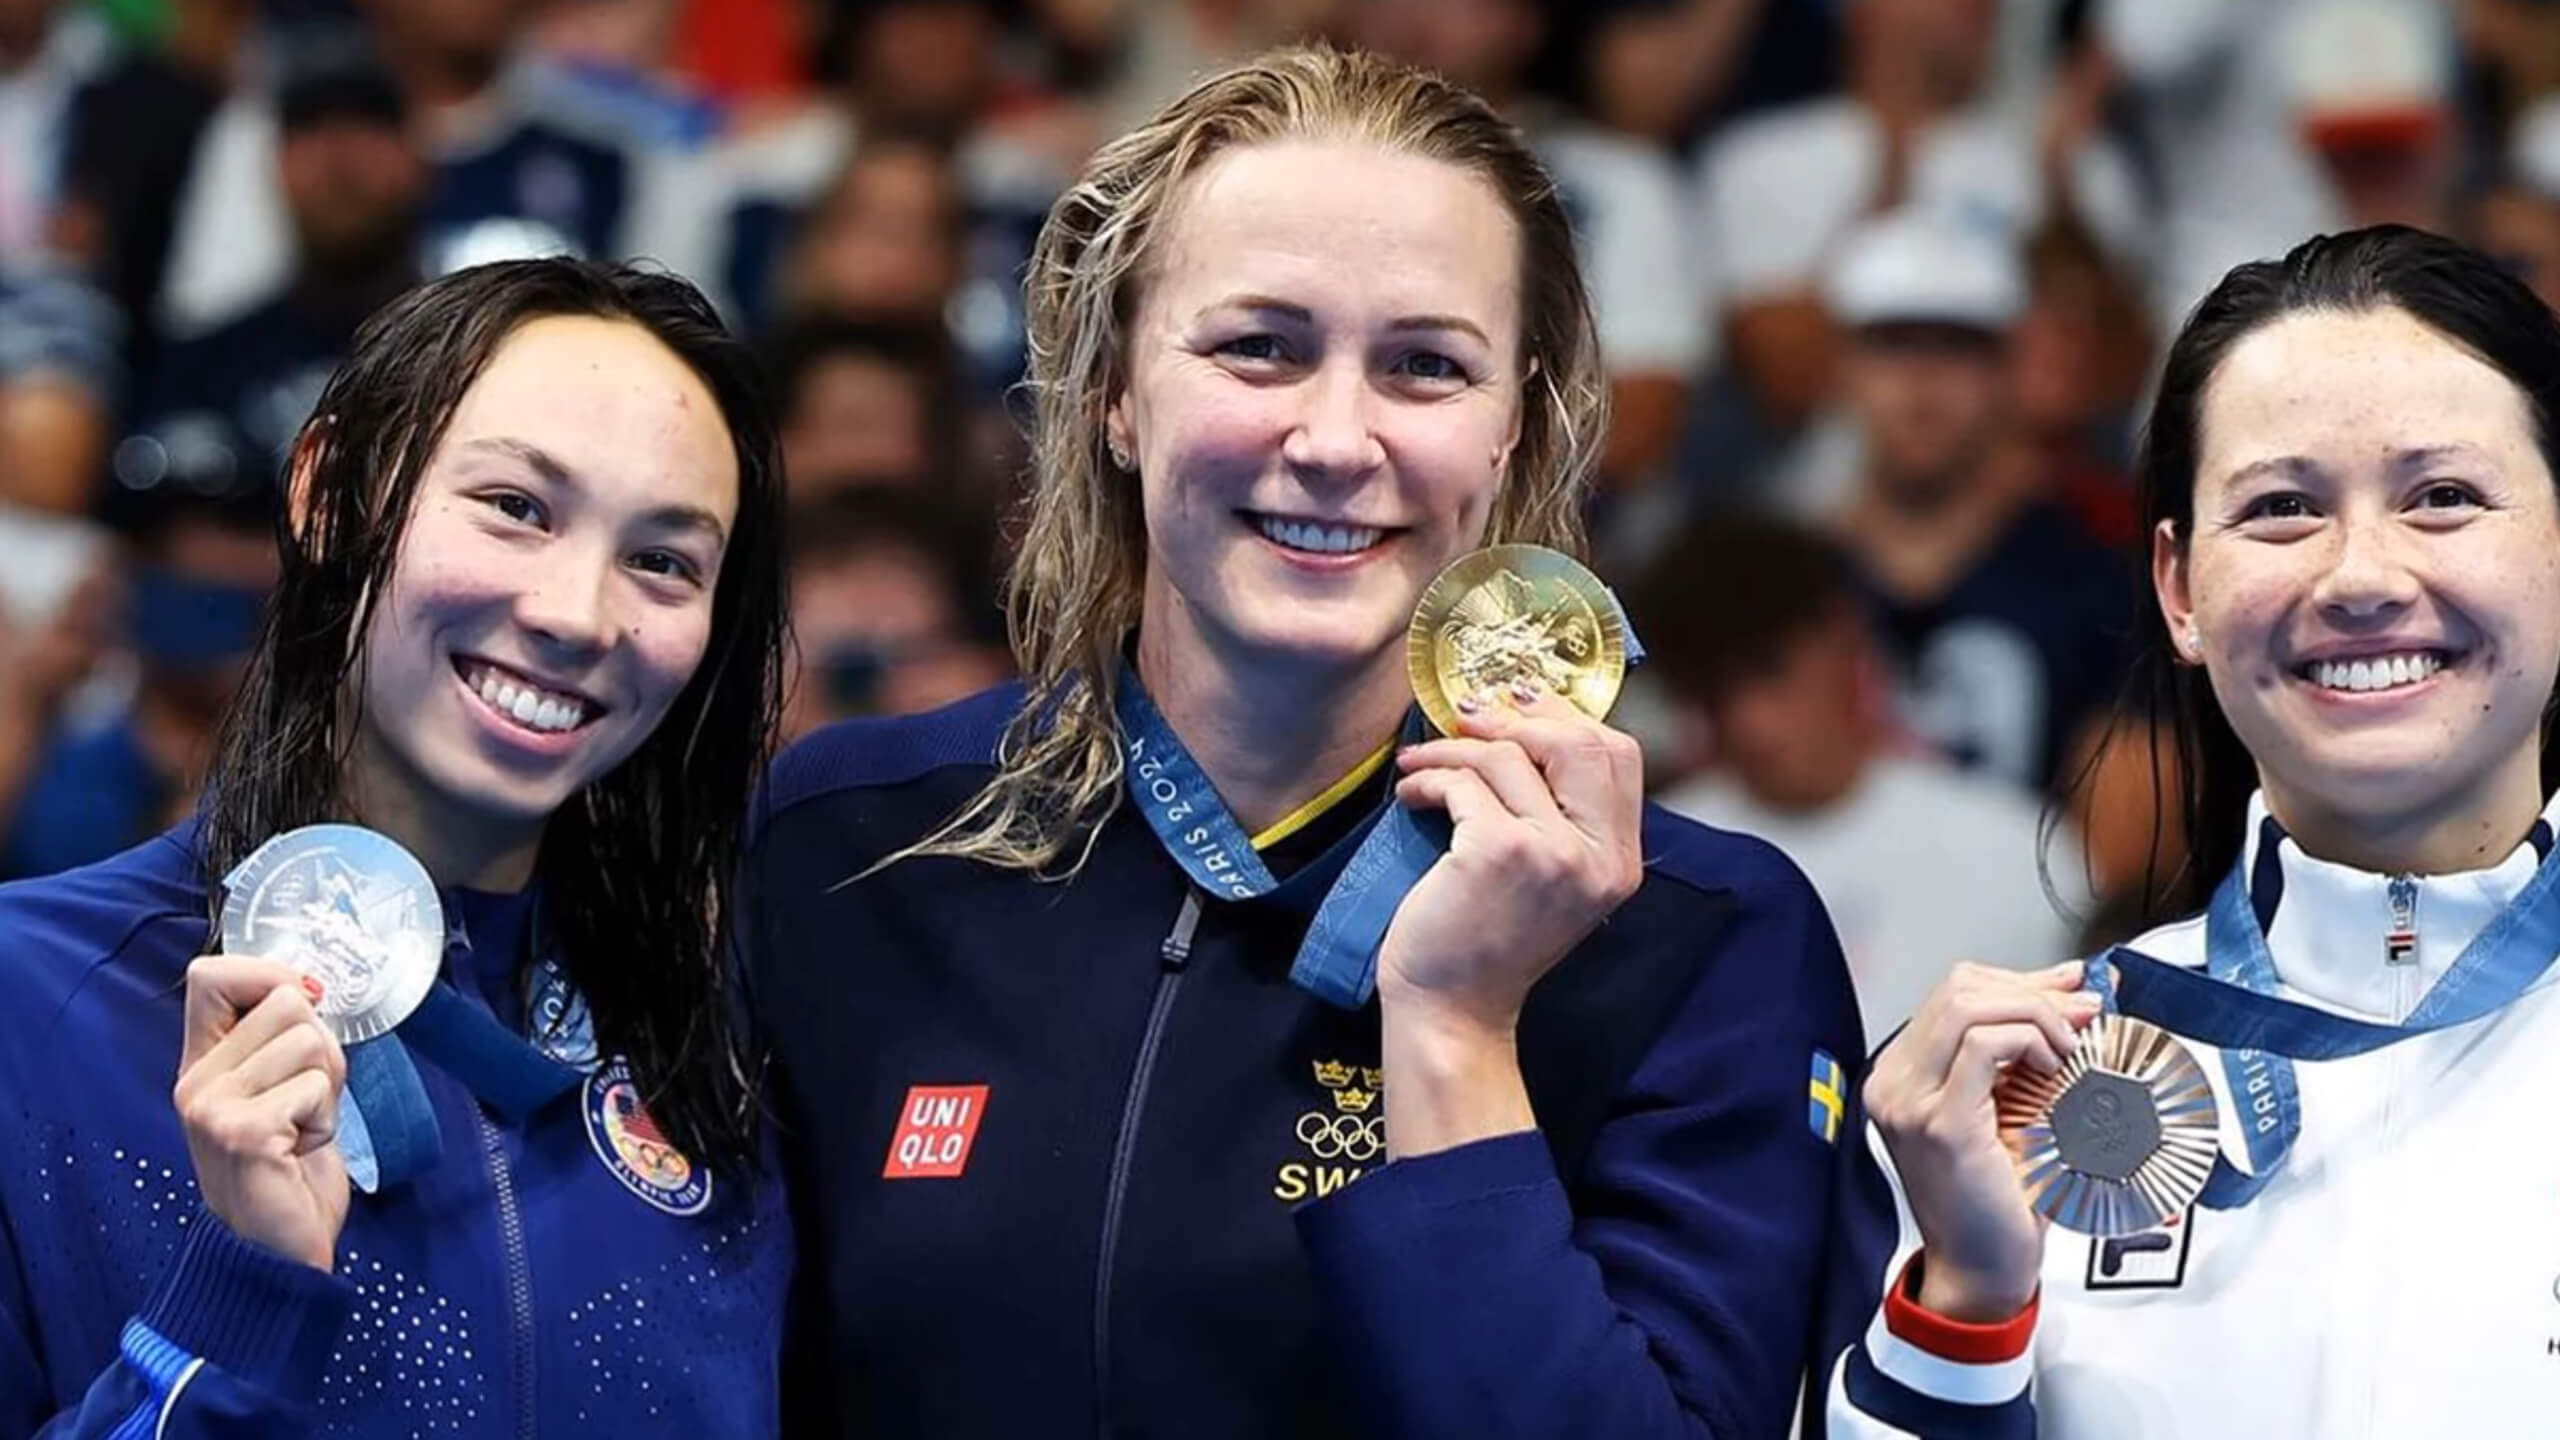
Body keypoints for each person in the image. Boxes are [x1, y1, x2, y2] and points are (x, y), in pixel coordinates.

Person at [747, 44, 1874, 1439]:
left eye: (1423, 366)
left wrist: (1458, 1029)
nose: (1337, 439)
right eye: (1259, 347)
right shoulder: (847, 844)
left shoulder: (1696, 941)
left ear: (1512, 429)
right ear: (1114, 391)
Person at [0, 257, 793, 1437]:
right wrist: (237, 1296)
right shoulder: (29, 1003)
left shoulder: (727, 1059)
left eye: (663, 561)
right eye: (516, 507)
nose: (578, 614)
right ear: (329, 491)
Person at [1827, 225, 2560, 1435]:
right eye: (2281, 508)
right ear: (2177, 589)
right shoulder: (1999, 1095)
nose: (2359, 575)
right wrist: (1962, 1302)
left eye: (2442, 497)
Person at [1642, 509, 2085, 1044]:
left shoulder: (2017, 851)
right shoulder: (1651, 865)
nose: (1751, 722)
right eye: (1715, 692)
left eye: (1771, 670)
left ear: (1845, 642)